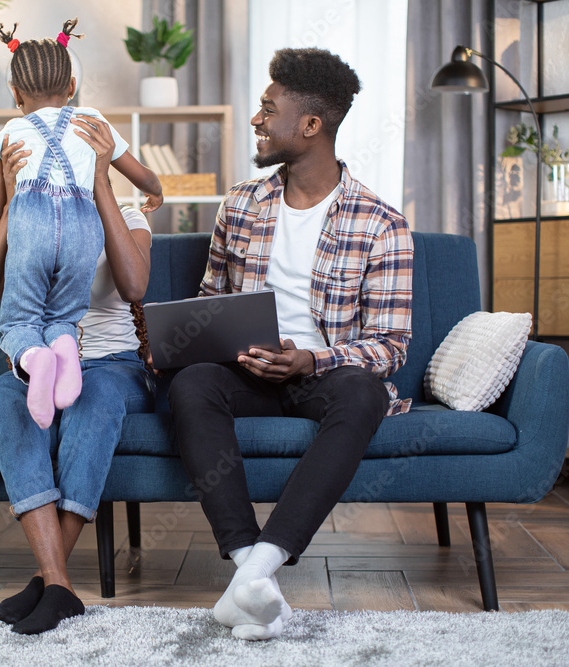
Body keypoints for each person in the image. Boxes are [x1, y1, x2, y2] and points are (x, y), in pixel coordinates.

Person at [168, 48, 414, 641]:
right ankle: (246, 572)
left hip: (325, 377)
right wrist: (207, 341)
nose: (256, 120)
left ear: (310, 126)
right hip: (246, 372)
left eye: (267, 109)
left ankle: (259, 570)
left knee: (363, 393)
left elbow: (390, 345)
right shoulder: (240, 204)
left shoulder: (382, 223)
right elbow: (208, 304)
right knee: (191, 383)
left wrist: (310, 359)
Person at [0, 115, 154, 634]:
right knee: (6, 400)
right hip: (36, 371)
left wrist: (100, 190)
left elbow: (135, 286)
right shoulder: (25, 211)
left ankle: (50, 579)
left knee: (92, 404)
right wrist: (8, 210)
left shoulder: (130, 212)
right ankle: (58, 585)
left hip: (112, 364)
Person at [0, 18, 162, 430]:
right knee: (65, 317)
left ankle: (35, 359)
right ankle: (66, 351)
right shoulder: (91, 121)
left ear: (15, 94)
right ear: (71, 87)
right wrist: (154, 189)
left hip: (30, 225)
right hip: (83, 225)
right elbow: (138, 172)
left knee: (21, 320)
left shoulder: (9, 134)